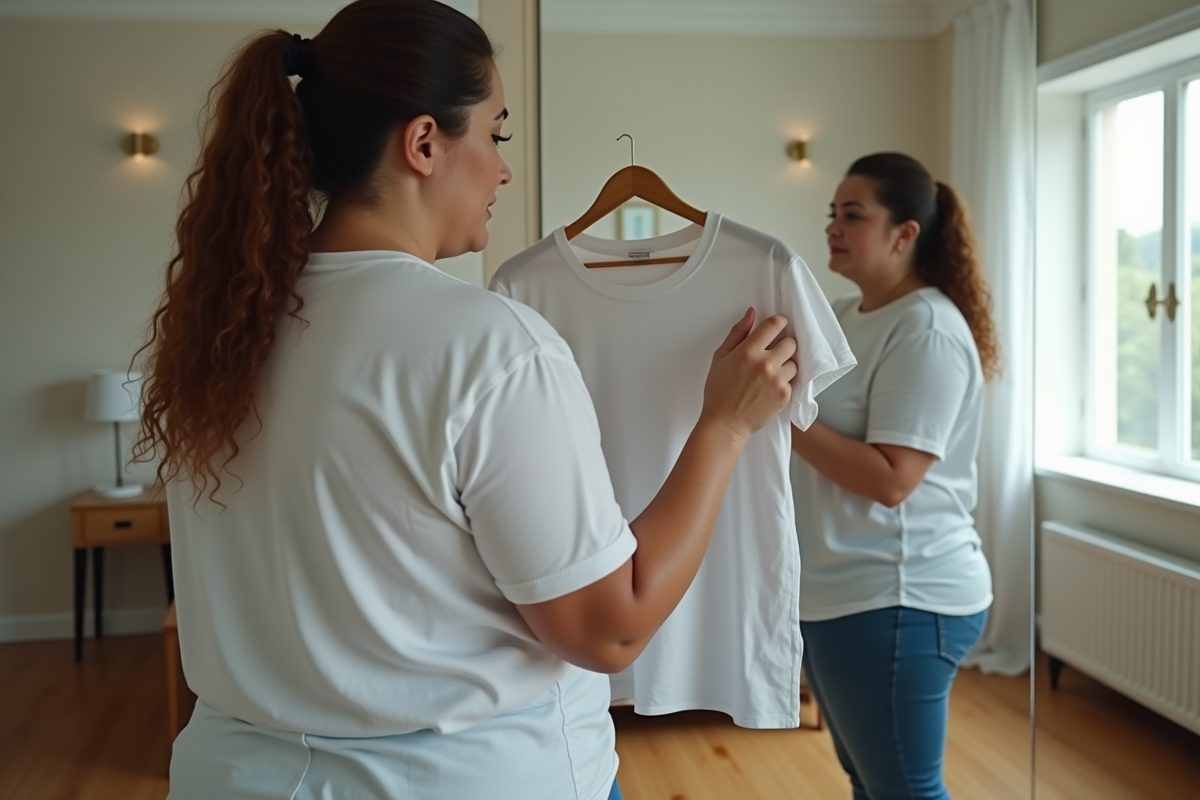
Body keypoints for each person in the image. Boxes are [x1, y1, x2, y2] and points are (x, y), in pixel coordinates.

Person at [133, 1, 798, 798]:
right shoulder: (489, 343)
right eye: (495, 134)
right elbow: (610, 626)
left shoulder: (221, 332)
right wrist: (724, 426)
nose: (504, 169)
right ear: (423, 144)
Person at [790, 152, 999, 800]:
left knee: (904, 789)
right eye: (833, 214)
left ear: (905, 234)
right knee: (871, 782)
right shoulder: (849, 317)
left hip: (901, 594)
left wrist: (778, 416)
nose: (833, 227)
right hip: (840, 592)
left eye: (853, 216)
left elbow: (890, 479)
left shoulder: (927, 329)